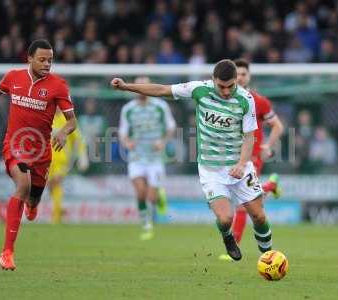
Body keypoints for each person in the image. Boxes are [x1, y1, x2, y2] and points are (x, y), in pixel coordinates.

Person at [111, 59, 273, 260]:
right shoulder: (199, 89)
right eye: (221, 86)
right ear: (212, 80)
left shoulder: (245, 99)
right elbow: (162, 90)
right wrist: (127, 87)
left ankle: (269, 256)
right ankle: (227, 236)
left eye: (230, 86)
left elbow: (249, 136)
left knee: (259, 215)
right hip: (211, 168)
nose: (225, 91)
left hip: (239, 166)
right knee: (225, 218)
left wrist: (241, 164)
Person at [0, 39, 76, 270]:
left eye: (50, 60)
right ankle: (7, 252)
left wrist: (63, 132)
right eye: (42, 59)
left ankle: (32, 204)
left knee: (33, 197)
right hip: (15, 145)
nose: (46, 64)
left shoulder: (58, 86)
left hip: (42, 152)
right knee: (22, 185)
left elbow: (72, 121)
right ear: (29, 59)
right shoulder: (13, 77)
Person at [218, 58, 284, 261]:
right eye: (237, 74)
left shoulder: (259, 102)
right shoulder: (224, 99)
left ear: (249, 76)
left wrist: (267, 146)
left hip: (251, 156)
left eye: (243, 74)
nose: (240, 77)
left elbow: (278, 126)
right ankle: (271, 185)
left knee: (241, 204)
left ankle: (234, 246)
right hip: (230, 156)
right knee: (245, 201)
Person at [118, 76, 176, 240]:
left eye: (145, 85)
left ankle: (159, 197)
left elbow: (171, 127)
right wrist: (126, 142)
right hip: (136, 157)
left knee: (151, 196)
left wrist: (163, 142)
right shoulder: (128, 109)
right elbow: (122, 131)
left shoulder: (160, 106)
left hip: (155, 157)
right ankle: (146, 224)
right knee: (140, 192)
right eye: (139, 85)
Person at [49, 109, 89, 224]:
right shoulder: (47, 116)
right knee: (51, 186)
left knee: (56, 181)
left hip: (63, 160)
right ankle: (60, 208)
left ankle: (56, 218)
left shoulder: (68, 119)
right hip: (47, 159)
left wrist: (83, 156)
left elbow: (79, 139)